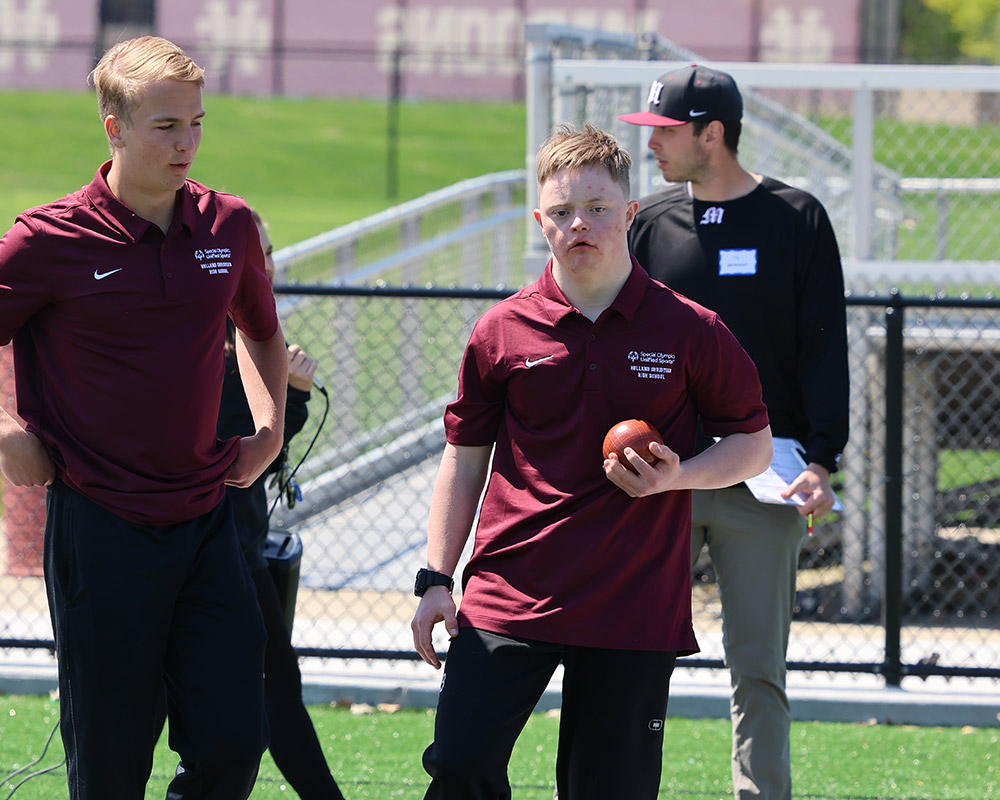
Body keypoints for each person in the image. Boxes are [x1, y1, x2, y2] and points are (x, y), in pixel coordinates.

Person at [409, 123, 773, 800]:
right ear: (539, 221)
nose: (581, 224)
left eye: (599, 209)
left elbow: (753, 446)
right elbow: (462, 461)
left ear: (630, 214)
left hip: (632, 604)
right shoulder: (502, 330)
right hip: (509, 596)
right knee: (458, 768)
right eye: (562, 212)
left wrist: (680, 475)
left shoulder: (690, 328)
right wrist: (436, 578)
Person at [0, 36, 289, 799]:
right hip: (100, 527)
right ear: (114, 127)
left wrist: (269, 430)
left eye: (196, 123)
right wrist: (5, 434)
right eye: (166, 126)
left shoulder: (227, 227)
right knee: (110, 766)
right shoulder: (45, 240)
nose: (187, 143)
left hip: (205, 523)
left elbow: (260, 329)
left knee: (234, 740)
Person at [619, 64, 850, 800]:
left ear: (711, 134)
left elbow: (823, 346)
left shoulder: (797, 219)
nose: (650, 146)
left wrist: (822, 458)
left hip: (768, 475)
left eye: (665, 131)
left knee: (758, 667)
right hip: (663, 481)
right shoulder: (648, 224)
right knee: (632, 658)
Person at [213, 211, 348, 800]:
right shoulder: (197, 336)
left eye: (268, 252)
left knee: (274, 689)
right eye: (252, 252)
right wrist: (287, 397)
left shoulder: (256, 332)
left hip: (242, 546)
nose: (264, 265)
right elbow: (228, 442)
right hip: (197, 546)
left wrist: (288, 398)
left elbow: (265, 450)